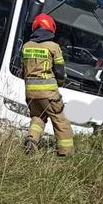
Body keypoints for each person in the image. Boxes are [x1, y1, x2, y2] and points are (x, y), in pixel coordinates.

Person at [22, 13, 74, 156]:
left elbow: (23, 70)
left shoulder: (26, 46)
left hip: (30, 92)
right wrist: (61, 83)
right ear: (51, 28)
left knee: (38, 117)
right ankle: (66, 153)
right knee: (60, 120)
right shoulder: (53, 47)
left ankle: (32, 141)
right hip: (48, 93)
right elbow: (60, 70)